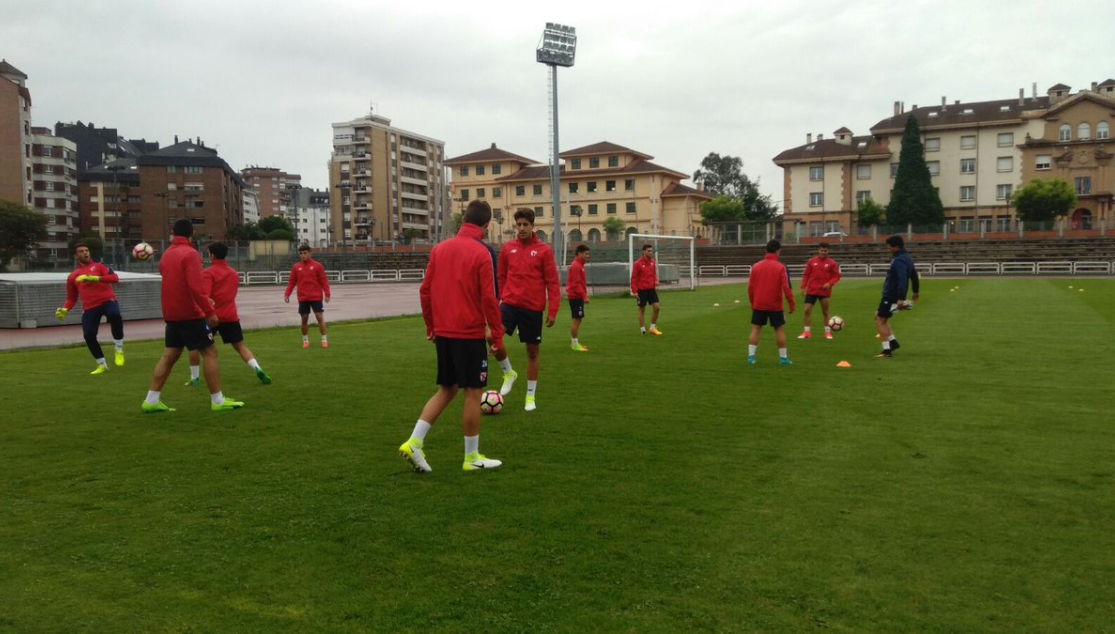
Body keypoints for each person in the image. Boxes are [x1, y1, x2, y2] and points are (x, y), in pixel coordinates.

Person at [398, 199, 506, 473]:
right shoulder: (482, 253)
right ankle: (472, 458)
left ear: (462, 221)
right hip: (468, 333)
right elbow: (489, 298)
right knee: (473, 391)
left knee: (448, 388)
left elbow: (425, 290)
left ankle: (414, 441)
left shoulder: (439, 249)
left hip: (444, 332)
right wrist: (497, 335)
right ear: (486, 224)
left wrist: (431, 326)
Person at [142, 219, 243, 413]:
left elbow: (171, 278)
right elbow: (196, 287)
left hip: (171, 313)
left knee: (169, 355)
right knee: (210, 352)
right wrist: (209, 311)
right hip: (189, 312)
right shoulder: (190, 254)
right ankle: (218, 400)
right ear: (192, 233)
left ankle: (151, 399)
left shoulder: (166, 255)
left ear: (172, 232)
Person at [493, 208, 560, 412]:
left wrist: (552, 310)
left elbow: (552, 282)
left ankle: (530, 396)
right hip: (510, 304)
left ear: (532, 226)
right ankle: (509, 372)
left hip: (532, 307)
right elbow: (501, 276)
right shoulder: (507, 248)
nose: (521, 228)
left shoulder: (544, 250)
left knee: (532, 352)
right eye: (518, 225)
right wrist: (503, 296)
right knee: (491, 336)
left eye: (525, 225)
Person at [183, 242, 272, 387]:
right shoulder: (233, 273)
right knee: (240, 346)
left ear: (211, 255)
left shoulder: (208, 273)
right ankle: (258, 369)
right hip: (230, 315)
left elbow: (205, 296)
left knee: (194, 346)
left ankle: (195, 378)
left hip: (212, 317)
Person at [55, 242, 125, 374]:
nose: (85, 253)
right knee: (88, 335)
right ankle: (102, 364)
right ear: (75, 256)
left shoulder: (100, 266)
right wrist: (64, 309)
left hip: (107, 301)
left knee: (114, 315)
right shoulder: (72, 276)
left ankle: (119, 348)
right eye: (81, 251)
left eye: (87, 250)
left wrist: (94, 278)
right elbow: (71, 298)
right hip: (89, 307)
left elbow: (114, 278)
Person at [747, 239, 795, 365]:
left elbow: (750, 287)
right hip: (775, 304)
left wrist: (753, 303)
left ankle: (751, 357)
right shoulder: (780, 267)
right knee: (779, 329)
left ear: (766, 250)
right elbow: (786, 287)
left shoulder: (756, 266)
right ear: (778, 251)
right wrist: (791, 304)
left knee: (756, 329)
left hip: (759, 303)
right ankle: (783, 358)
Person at [875, 235, 920, 358]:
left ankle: (886, 351)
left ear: (896, 247)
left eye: (889, 247)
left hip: (891, 295)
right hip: (893, 295)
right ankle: (893, 342)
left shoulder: (899, 260)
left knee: (880, 320)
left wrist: (901, 298)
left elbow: (902, 279)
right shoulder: (907, 258)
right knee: (880, 317)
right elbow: (914, 275)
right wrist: (916, 291)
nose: (888, 249)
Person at [284, 244, 331, 348]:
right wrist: (287, 294)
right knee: (304, 318)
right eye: (301, 253)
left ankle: (324, 340)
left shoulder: (317, 266)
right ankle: (305, 341)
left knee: (319, 316)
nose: (303, 255)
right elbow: (291, 282)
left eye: (305, 253)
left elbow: (324, 281)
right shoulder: (296, 267)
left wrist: (327, 294)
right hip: (303, 297)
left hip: (316, 297)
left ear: (309, 253)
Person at [798, 242, 841, 340]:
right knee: (806, 310)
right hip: (812, 290)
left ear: (828, 251)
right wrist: (803, 287)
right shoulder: (812, 261)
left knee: (825, 312)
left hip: (824, 292)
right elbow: (806, 275)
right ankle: (806, 332)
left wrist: (829, 284)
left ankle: (827, 333)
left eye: (825, 251)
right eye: (822, 250)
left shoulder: (831, 263)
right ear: (819, 250)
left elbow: (836, 276)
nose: (823, 252)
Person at [631, 244, 663, 336]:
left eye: (651, 251)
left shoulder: (652, 262)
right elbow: (633, 278)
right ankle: (642, 329)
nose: (650, 252)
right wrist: (634, 291)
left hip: (651, 290)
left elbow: (654, 274)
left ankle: (652, 328)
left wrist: (656, 281)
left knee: (657, 308)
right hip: (642, 290)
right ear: (643, 252)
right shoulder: (638, 263)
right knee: (642, 309)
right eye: (648, 251)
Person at [566, 244, 591, 352]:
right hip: (575, 297)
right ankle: (574, 344)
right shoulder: (576, 266)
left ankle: (575, 343)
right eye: (586, 254)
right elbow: (576, 284)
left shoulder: (579, 265)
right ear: (579, 253)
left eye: (588, 254)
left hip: (577, 296)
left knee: (578, 319)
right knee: (576, 320)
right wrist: (584, 296)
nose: (587, 256)